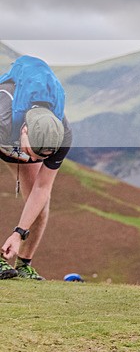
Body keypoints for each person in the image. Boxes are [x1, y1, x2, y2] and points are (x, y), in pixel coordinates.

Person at [0, 55, 71, 280]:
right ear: (24, 131)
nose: (31, 159)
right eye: (30, 153)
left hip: (13, 141)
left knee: (40, 202)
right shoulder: (3, 120)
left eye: (38, 157)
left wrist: (19, 233)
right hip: (4, 137)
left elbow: (42, 188)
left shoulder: (63, 135)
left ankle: (24, 265)